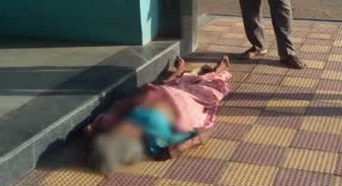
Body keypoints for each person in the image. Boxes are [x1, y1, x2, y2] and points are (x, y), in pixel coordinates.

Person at [84, 56, 231, 175]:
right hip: (183, 102)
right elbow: (200, 136)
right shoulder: (158, 144)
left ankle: (207, 72)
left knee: (172, 88)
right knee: (205, 89)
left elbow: (199, 136)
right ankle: (215, 72)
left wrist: (94, 130)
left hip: (169, 97)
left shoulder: (119, 124)